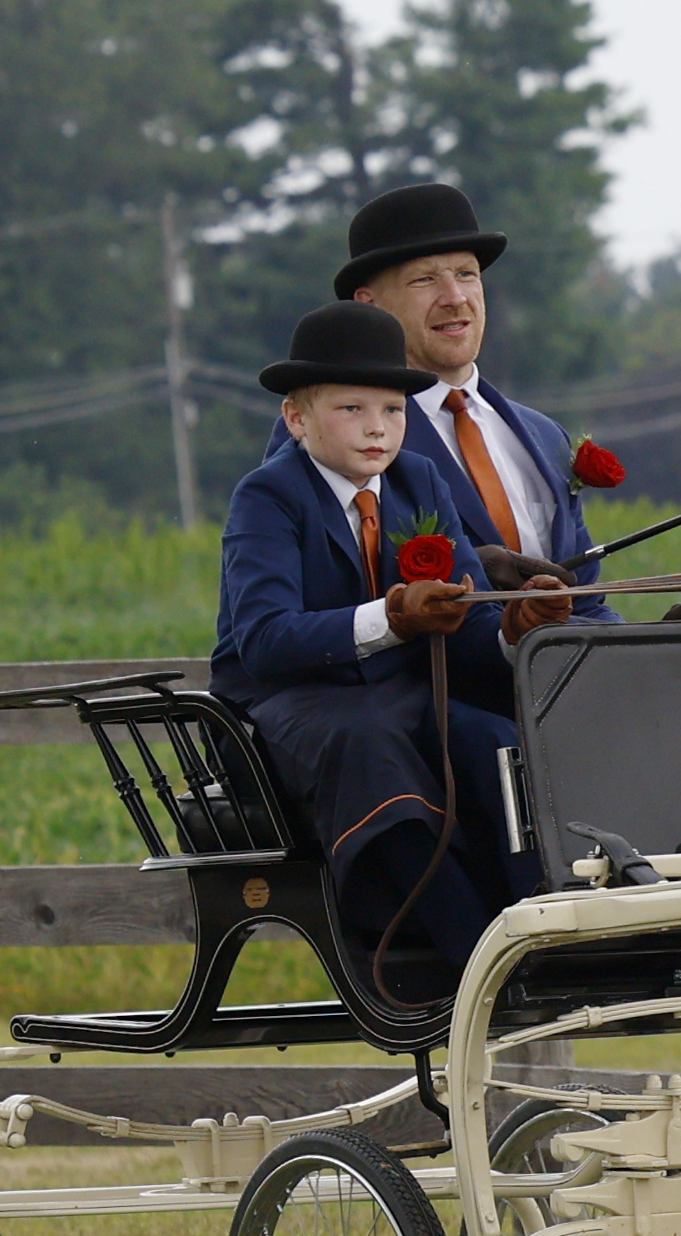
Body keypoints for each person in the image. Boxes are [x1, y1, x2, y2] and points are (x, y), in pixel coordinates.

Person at [210, 297, 572, 979]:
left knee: (492, 740)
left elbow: (464, 626)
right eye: (351, 409)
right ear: (296, 417)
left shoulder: (418, 480)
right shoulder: (268, 496)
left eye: (393, 410)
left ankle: (540, 926)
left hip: (401, 697)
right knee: (370, 744)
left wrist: (512, 633)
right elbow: (262, 640)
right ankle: (472, 958)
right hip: (289, 706)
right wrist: (390, 617)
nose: (377, 429)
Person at [329, 181, 625, 618]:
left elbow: (584, 602)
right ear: (370, 306)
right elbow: (326, 587)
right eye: (425, 280)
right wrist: (473, 568)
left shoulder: (546, 438)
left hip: (551, 678)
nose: (454, 298)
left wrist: (668, 643)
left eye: (466, 274)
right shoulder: (331, 429)